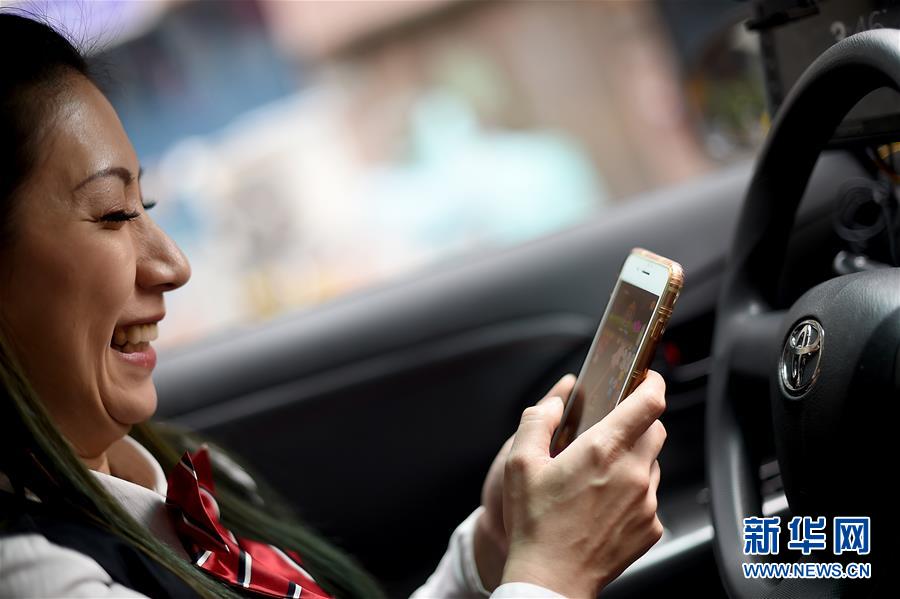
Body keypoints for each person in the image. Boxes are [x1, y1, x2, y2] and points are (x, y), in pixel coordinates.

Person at [0, 11, 668, 599]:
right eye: (113, 213)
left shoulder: (185, 475)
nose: (174, 265)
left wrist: (495, 547)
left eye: (144, 205)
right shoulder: (37, 573)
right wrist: (550, 573)